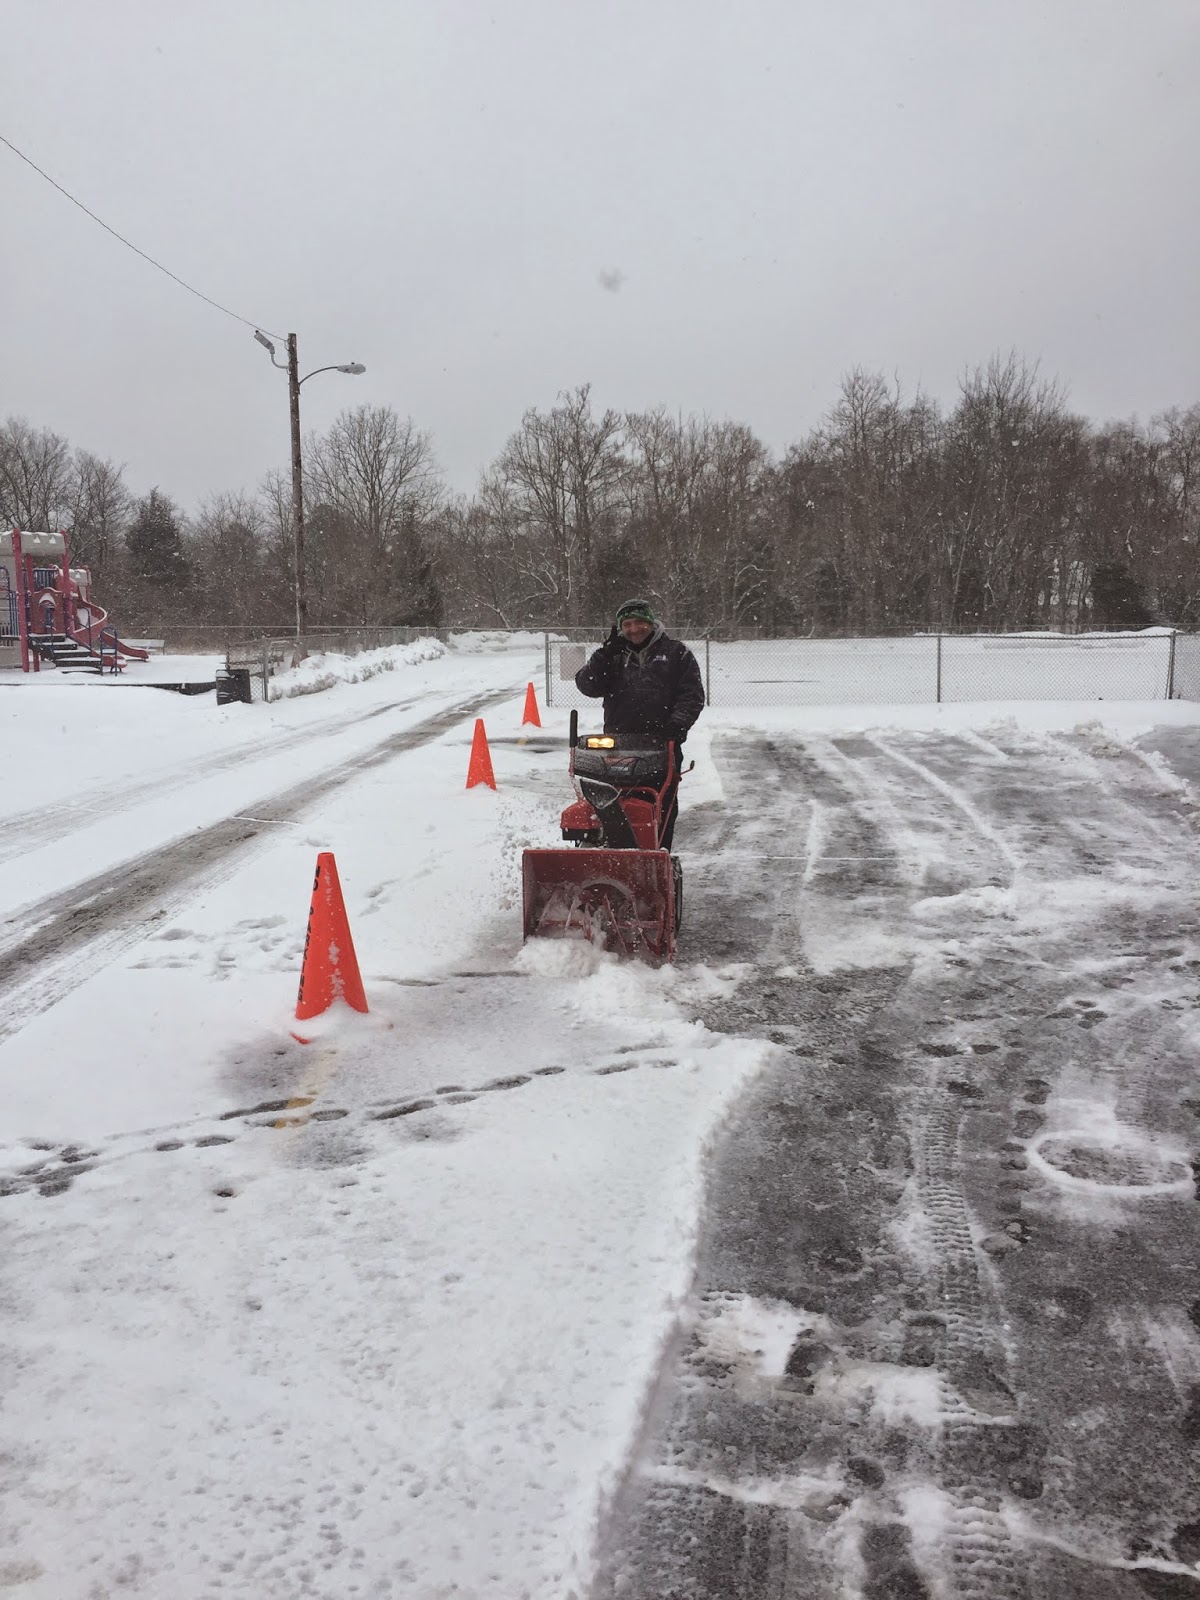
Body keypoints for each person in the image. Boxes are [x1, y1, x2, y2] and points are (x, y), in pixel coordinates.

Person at [574, 598, 705, 850]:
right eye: (627, 624)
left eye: (640, 622)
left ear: (651, 623)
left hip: (662, 744)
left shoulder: (676, 653)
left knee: (661, 808)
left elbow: (692, 695)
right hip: (617, 745)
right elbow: (587, 685)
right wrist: (603, 655)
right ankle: (613, 855)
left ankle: (658, 855)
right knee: (611, 806)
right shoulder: (613, 656)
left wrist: (677, 725)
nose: (634, 629)